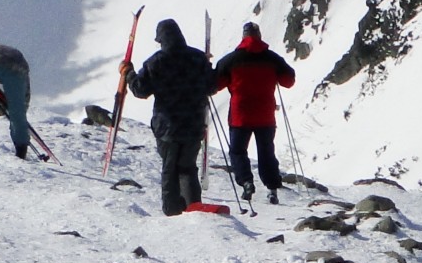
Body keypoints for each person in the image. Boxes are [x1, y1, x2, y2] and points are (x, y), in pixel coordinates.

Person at [120, 18, 215, 216]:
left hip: (167, 127)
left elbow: (140, 90)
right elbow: (211, 86)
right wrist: (206, 66)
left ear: (161, 39)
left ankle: (172, 211)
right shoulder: (198, 58)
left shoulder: (156, 62)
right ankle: (194, 209)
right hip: (194, 124)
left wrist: (128, 73)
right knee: (188, 168)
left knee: (169, 169)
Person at [212, 21, 296, 204]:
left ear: (243, 36)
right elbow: (288, 81)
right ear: (259, 36)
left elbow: (215, 84)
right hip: (265, 115)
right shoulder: (272, 59)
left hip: (240, 115)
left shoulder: (231, 60)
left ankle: (246, 182)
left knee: (238, 151)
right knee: (266, 151)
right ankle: (272, 188)